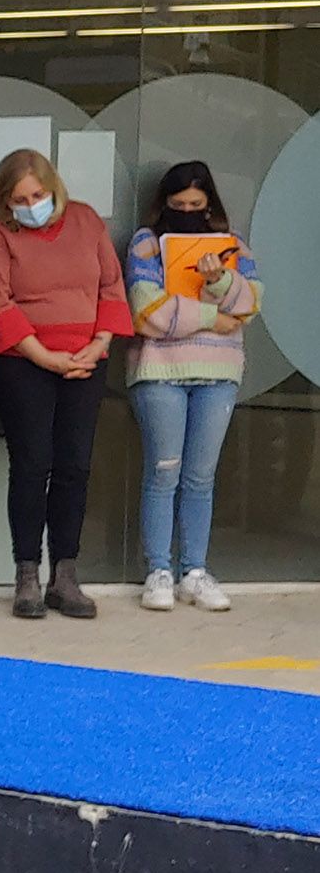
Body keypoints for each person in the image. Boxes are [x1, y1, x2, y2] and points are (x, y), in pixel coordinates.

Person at [0, 148, 132, 620]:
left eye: (38, 194)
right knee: (31, 464)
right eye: (19, 198)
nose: (31, 204)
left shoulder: (86, 221)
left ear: (54, 188)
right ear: (5, 202)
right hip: (26, 361)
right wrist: (44, 356)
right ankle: (27, 575)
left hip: (86, 359)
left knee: (75, 466)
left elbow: (111, 286)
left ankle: (66, 575)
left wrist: (98, 343)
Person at [125, 161, 263, 612]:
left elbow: (250, 301)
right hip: (160, 373)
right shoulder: (146, 244)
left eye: (196, 205)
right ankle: (158, 570)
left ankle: (195, 571)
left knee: (201, 478)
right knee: (164, 472)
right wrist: (213, 317)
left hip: (219, 375)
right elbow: (146, 311)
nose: (187, 211)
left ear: (210, 205)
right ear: (164, 204)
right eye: (178, 205)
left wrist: (218, 280)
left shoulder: (232, 246)